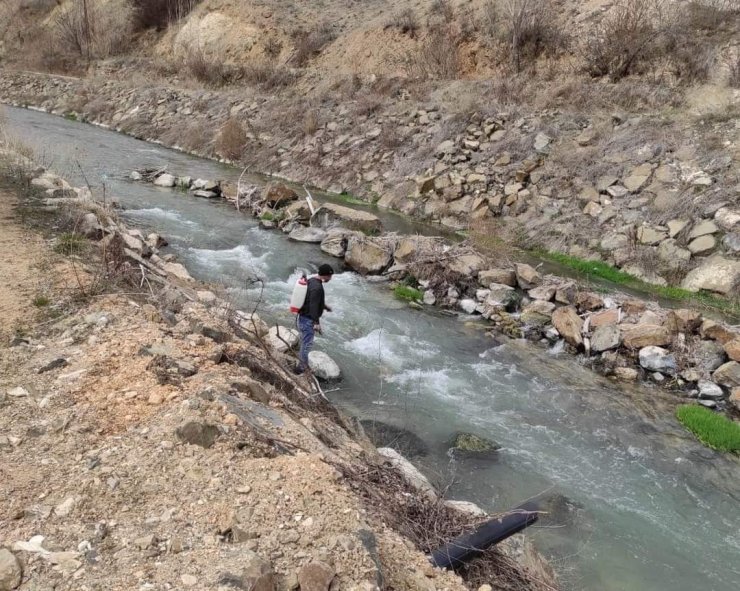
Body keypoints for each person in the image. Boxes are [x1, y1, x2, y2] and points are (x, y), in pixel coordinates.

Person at [294, 263, 334, 375]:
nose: (331, 278)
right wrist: (316, 323)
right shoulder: (317, 287)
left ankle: (301, 365)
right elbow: (313, 305)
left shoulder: (312, 281)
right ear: (326, 275)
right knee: (306, 345)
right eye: (330, 276)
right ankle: (300, 369)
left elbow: (312, 299)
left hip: (303, 317)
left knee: (304, 342)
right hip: (307, 320)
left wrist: (325, 306)